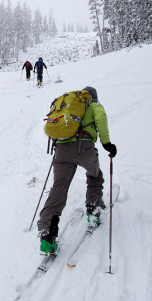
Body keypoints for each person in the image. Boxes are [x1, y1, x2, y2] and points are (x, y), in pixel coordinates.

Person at [37, 86, 117, 255]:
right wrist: (107, 144)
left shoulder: (69, 106)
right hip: (84, 148)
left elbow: (48, 129)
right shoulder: (93, 104)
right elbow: (101, 118)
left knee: (58, 189)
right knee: (95, 175)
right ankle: (94, 211)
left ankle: (47, 237)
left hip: (61, 150)